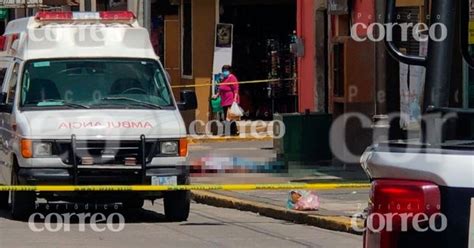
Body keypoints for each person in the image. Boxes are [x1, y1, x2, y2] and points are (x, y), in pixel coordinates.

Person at [213, 65, 240, 136]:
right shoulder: (224, 78)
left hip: (230, 99)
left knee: (229, 116)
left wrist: (235, 99)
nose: (224, 72)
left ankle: (230, 131)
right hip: (224, 100)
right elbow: (221, 88)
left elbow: (235, 89)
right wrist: (216, 95)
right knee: (228, 116)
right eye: (223, 70)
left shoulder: (232, 78)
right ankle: (234, 131)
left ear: (229, 71)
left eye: (225, 70)